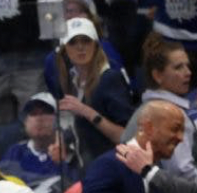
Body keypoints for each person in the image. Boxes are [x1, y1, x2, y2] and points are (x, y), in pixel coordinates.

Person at [47, 18, 133, 171]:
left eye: (86, 41)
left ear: (95, 44)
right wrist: (61, 144)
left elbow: (126, 136)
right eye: (73, 42)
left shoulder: (110, 78)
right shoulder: (70, 80)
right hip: (86, 169)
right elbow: (69, 124)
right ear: (64, 49)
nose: (80, 47)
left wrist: (86, 111)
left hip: (114, 170)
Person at [121, 35, 197, 181]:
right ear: (158, 75)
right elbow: (181, 173)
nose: (188, 73)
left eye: (187, 66)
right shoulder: (171, 114)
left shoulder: (146, 109)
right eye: (178, 67)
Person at [0, 93, 80, 193]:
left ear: (59, 120)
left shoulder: (71, 153)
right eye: (33, 113)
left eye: (46, 112)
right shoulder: (16, 151)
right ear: (25, 122)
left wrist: (61, 162)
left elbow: (73, 191)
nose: (39, 118)